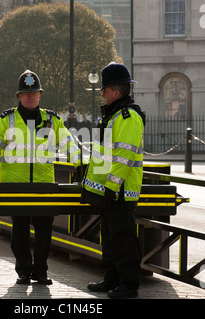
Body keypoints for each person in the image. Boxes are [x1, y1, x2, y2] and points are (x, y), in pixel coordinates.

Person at [0, 70, 81, 285]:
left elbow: (68, 143)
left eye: (34, 93)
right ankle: (24, 270)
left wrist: (80, 164)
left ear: (40, 95)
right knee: (20, 233)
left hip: (44, 184)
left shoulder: (52, 119)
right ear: (19, 96)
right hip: (15, 185)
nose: (30, 97)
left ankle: (41, 271)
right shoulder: (7, 120)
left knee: (44, 231)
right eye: (26, 94)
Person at [81, 62, 146, 298]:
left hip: (119, 191)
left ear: (116, 92)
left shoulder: (127, 117)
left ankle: (129, 285)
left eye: (105, 90)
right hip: (111, 191)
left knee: (124, 240)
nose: (102, 93)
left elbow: (124, 156)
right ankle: (112, 279)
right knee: (110, 238)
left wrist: (110, 187)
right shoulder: (115, 115)